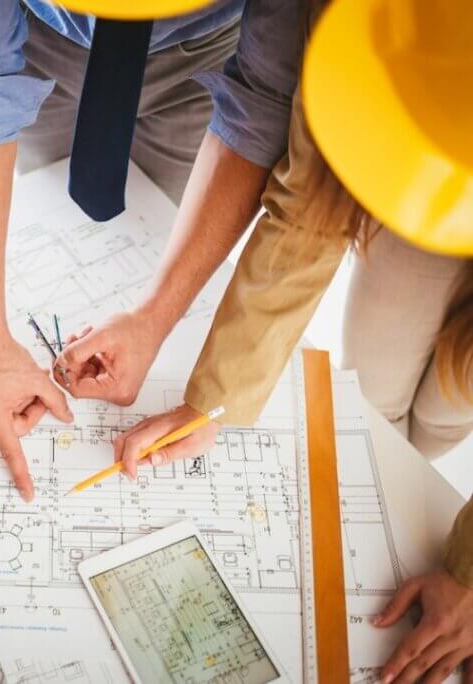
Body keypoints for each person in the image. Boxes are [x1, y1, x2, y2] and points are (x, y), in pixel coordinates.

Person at [72, 1, 473, 680]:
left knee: (450, 402)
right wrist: (214, 400)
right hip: (434, 131)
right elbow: (313, 197)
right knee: (377, 392)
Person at [0, 0, 303, 499]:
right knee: (42, 200)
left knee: (155, 226)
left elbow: (262, 104)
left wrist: (152, 319)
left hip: (201, 57)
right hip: (41, 39)